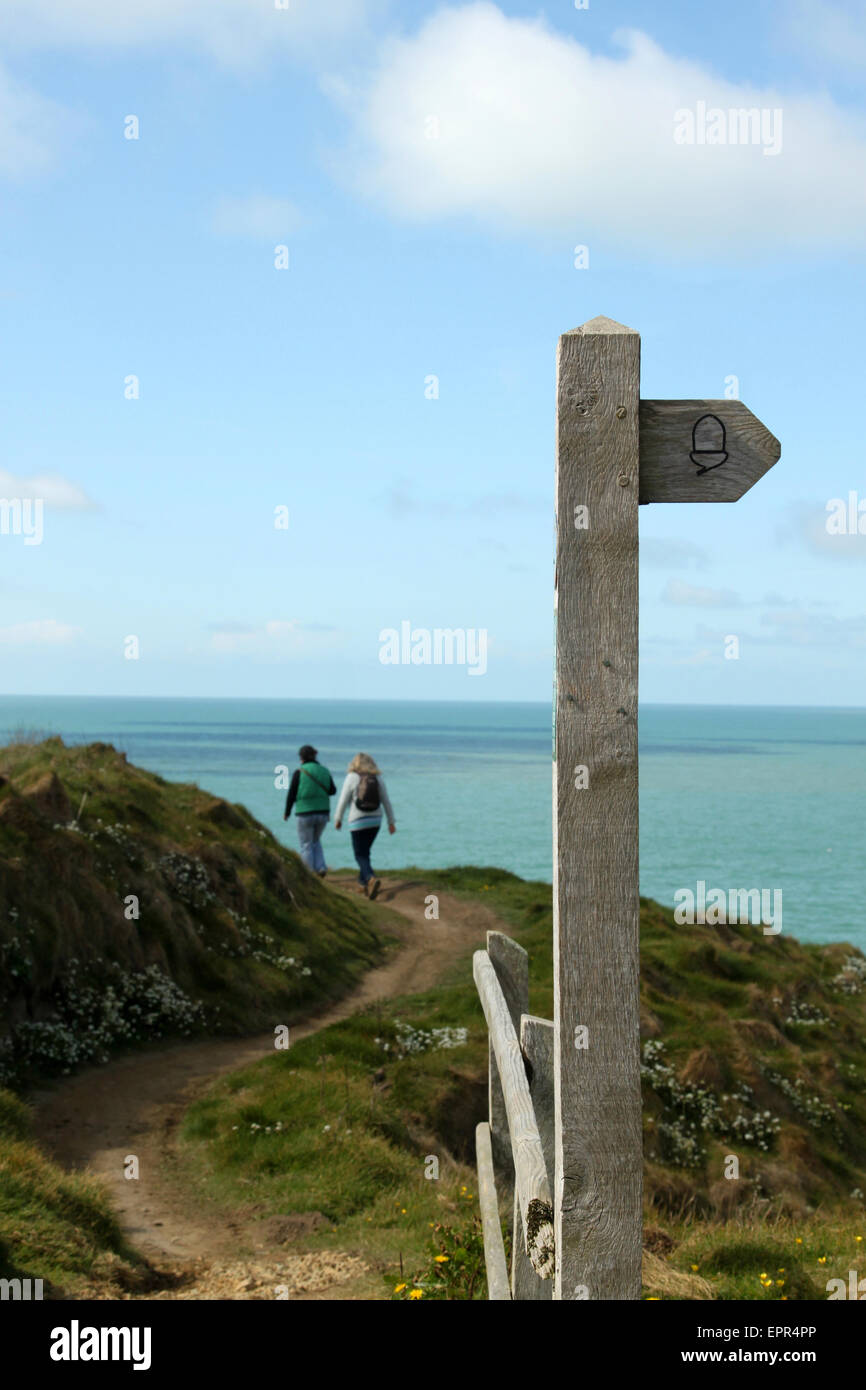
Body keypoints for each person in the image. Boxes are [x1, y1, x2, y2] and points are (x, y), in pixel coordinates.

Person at [333, 752, 396, 899]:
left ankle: (370, 878)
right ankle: (362, 885)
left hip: (357, 820)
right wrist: (391, 822)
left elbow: (343, 800)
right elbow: (386, 801)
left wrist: (338, 819)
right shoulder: (378, 778)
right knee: (365, 852)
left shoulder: (352, 777)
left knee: (359, 854)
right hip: (375, 821)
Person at [283, 744, 336, 877]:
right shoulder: (324, 770)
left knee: (306, 844)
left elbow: (292, 794)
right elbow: (332, 790)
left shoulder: (299, 772)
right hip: (323, 813)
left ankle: (309, 873)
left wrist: (287, 812)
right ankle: (321, 867)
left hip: (304, 813)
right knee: (316, 840)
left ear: (301, 758)